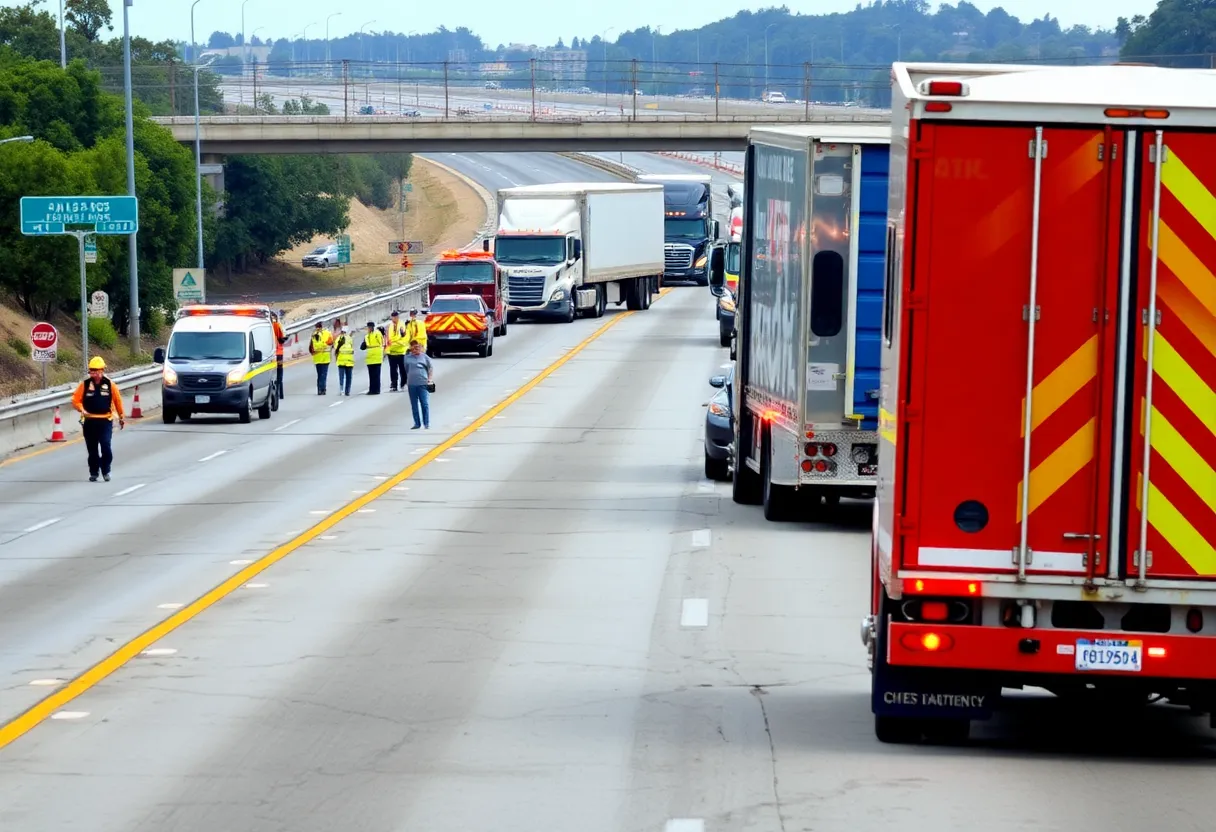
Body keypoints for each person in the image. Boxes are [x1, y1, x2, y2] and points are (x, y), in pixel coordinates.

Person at [70, 356, 126, 482]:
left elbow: (117, 401)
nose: (94, 374)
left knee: (106, 446)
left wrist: (121, 416)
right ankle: (94, 472)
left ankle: (106, 469)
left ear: (102, 371)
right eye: (91, 371)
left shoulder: (110, 384)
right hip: (89, 421)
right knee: (92, 450)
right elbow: (75, 400)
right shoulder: (84, 385)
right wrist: (81, 408)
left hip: (105, 421)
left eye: (96, 371)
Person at [404, 339, 434, 429]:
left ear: (421, 348)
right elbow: (406, 369)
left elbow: (430, 368)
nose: (415, 349)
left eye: (417, 347)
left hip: (423, 384)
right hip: (412, 384)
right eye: (414, 348)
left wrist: (429, 379)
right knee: (414, 405)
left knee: (424, 404)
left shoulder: (425, 357)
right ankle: (417, 423)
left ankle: (426, 423)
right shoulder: (407, 358)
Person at [386, 310, 409, 392]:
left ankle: (403, 383)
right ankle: (394, 385)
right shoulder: (390, 326)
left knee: (402, 369)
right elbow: (389, 338)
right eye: (392, 317)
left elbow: (401, 337)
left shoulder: (402, 325)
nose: (394, 318)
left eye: (395, 317)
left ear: (397, 317)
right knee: (393, 370)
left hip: (400, 351)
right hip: (391, 351)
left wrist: (394, 342)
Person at [309, 320, 333, 395]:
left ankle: (320, 389)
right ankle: (322, 389)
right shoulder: (327, 333)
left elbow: (313, 347)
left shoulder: (314, 335)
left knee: (320, 374)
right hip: (324, 357)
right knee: (323, 374)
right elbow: (330, 343)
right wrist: (325, 345)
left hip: (318, 357)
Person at [360, 320, 384, 395]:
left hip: (377, 357)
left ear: (372, 327)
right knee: (371, 375)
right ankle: (371, 389)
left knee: (376, 375)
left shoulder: (377, 333)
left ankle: (377, 390)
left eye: (369, 327)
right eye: (368, 327)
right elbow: (363, 346)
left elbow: (381, 342)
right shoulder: (367, 336)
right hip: (370, 358)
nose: (368, 328)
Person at [334, 325, 355, 396]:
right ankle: (347, 391)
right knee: (349, 377)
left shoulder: (338, 339)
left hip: (341, 361)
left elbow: (336, 349)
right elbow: (352, 348)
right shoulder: (349, 339)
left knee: (341, 377)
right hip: (349, 361)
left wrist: (336, 358)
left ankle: (341, 390)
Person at [271, 311, 287, 399]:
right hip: (278, 353)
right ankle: (280, 392)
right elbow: (281, 337)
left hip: (267, 355)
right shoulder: (276, 325)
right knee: (279, 373)